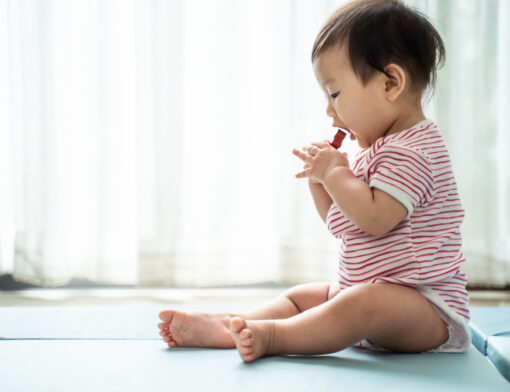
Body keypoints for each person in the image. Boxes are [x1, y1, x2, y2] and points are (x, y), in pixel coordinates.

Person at [158, 0, 471, 362]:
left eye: (335, 94)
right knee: (306, 296)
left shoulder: (412, 151)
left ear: (391, 83)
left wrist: (335, 173)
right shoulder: (380, 150)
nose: (329, 110)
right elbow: (346, 225)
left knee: (363, 302)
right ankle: (230, 323)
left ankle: (274, 336)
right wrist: (321, 184)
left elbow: (375, 219)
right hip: (370, 297)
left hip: (428, 308)